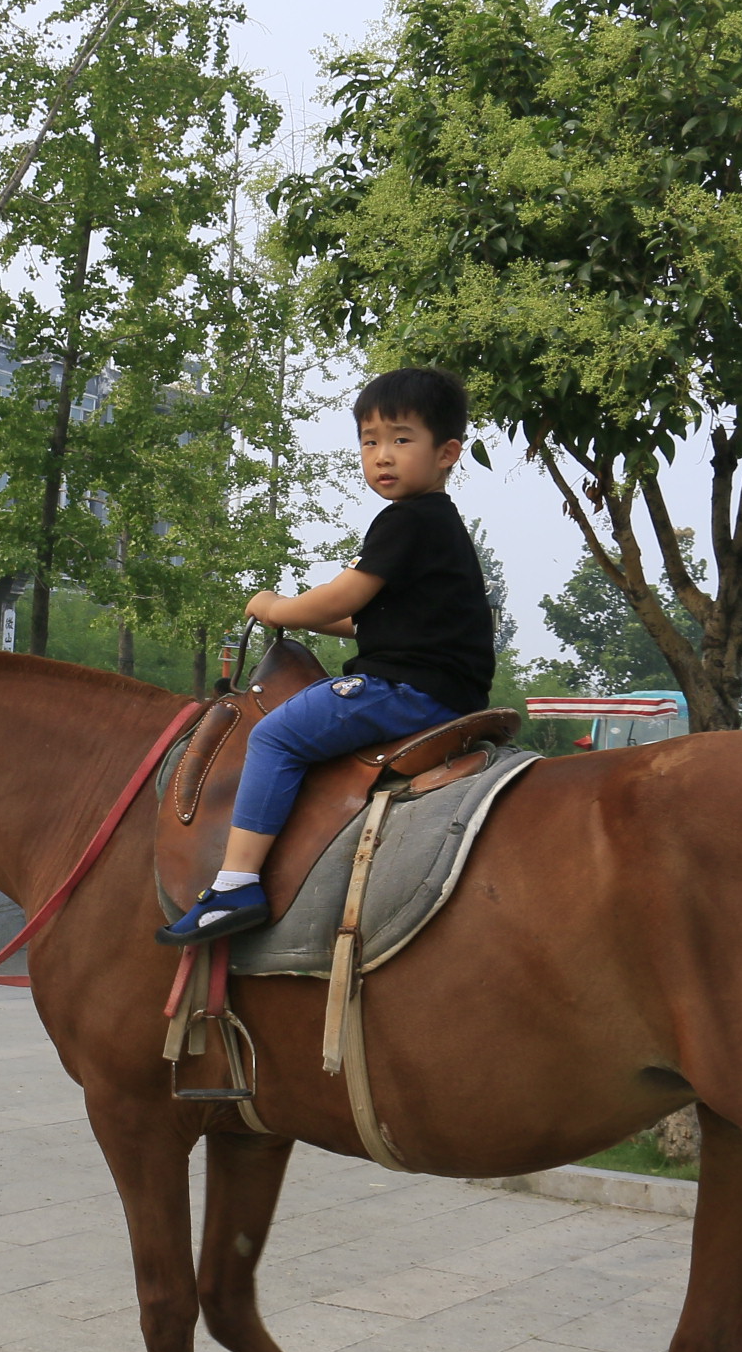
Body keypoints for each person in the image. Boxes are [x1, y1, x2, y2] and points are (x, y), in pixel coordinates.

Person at [160, 367, 495, 944]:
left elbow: (341, 598)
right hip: (441, 685)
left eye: (401, 439)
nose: (382, 456)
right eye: (369, 441)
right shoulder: (437, 525)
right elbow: (366, 618)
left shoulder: (406, 521)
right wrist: (304, 615)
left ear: (448, 453)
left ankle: (236, 884)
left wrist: (276, 606)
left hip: (408, 691)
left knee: (274, 736)